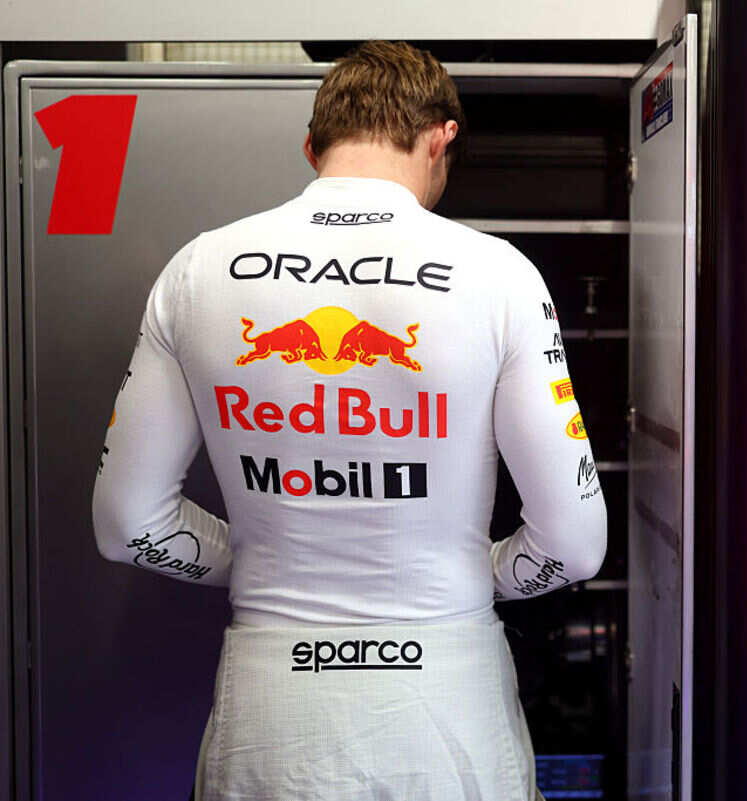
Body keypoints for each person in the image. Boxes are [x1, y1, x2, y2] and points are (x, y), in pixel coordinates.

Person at [91, 40, 607, 801]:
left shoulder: (199, 268)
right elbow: (574, 545)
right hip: (447, 701)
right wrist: (477, 572)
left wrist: (260, 561)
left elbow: (126, 521)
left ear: (313, 147)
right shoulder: (498, 274)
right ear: (442, 137)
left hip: (271, 705)